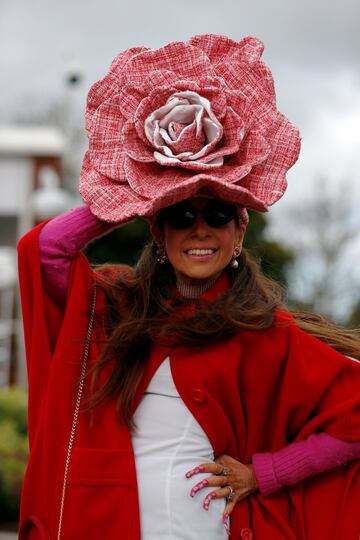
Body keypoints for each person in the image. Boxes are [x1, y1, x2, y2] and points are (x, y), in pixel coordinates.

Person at [17, 35, 360, 540]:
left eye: (218, 214)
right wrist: (138, 187)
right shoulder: (116, 308)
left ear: (239, 231)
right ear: (159, 231)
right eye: (181, 215)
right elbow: (45, 252)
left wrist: (264, 474)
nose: (200, 229)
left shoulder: (266, 333)